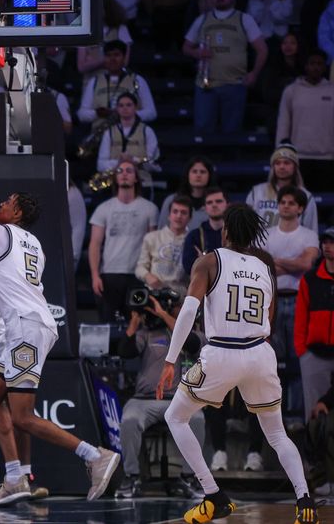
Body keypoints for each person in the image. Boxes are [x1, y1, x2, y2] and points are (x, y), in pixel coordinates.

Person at [0, 193, 120, 506]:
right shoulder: (34, 245)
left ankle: (95, 455)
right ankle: (14, 478)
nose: (0, 205)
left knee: (22, 416)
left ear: (18, 211)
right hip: (26, 328)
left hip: (26, 328)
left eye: (7, 202)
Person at [157, 204, 319, 524]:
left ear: (225, 231)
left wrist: (170, 359)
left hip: (222, 352)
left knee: (175, 417)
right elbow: (266, 312)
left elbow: (189, 312)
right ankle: (305, 500)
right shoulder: (265, 264)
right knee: (277, 434)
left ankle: (213, 495)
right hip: (260, 352)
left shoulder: (209, 260)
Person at [115, 296, 205, 499]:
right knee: (129, 420)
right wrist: (134, 323)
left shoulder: (198, 335)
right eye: (173, 307)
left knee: (197, 419)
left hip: (180, 400)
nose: (174, 309)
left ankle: (189, 476)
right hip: (144, 400)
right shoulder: (148, 334)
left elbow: (190, 343)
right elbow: (125, 352)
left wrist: (163, 315)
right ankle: (131, 475)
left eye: (177, 307)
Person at [261, 186, 319, 425]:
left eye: (291, 203)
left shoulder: (308, 235)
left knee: (297, 359)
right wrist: (290, 264)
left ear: (300, 208)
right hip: (271, 299)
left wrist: (277, 263)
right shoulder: (268, 233)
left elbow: (307, 264)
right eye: (282, 202)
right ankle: (273, 414)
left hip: (298, 301)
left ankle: (295, 416)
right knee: (273, 359)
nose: (285, 205)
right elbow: (262, 265)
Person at [183, 0, 268, 133]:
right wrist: (196, 52)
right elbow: (186, 47)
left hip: (235, 84)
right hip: (206, 85)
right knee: (203, 131)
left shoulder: (244, 19)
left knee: (232, 133)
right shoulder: (202, 19)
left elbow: (262, 50)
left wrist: (254, 73)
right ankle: (205, 156)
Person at [88, 160, 159, 321]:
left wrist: (150, 275)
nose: (125, 173)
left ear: (136, 178)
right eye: (120, 170)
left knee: (136, 325)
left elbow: (153, 246)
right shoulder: (103, 208)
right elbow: (95, 244)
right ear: (115, 177)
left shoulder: (150, 209)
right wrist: (94, 276)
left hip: (138, 275)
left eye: (129, 170)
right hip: (110, 274)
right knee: (108, 323)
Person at [275, 50, 334, 189]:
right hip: (298, 157)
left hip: (328, 157)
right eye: (312, 63)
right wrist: (281, 152)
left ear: (325, 67)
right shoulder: (292, 90)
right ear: (306, 66)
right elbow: (284, 121)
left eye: (319, 64)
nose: (316, 67)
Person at [295, 227, 334, 424]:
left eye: (332, 242)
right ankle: (312, 455)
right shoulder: (310, 279)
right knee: (314, 414)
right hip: (314, 355)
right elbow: (301, 317)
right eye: (325, 241)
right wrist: (302, 352)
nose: (328, 246)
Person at [78, 40, 157, 129]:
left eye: (116, 55)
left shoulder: (137, 80)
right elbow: (82, 114)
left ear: (124, 58)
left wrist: (127, 114)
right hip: (101, 136)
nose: (112, 59)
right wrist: (97, 113)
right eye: (108, 55)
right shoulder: (94, 82)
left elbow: (151, 112)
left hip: (131, 136)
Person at [246, 144, 318, 231]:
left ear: (295, 167)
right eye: (277, 163)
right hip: (261, 244)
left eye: (287, 163)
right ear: (273, 167)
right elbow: (246, 226)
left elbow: (311, 231)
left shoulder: (306, 196)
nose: (282, 167)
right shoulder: (256, 192)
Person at [135, 195, 192, 296]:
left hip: (181, 296)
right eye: (175, 211)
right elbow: (140, 267)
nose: (179, 216)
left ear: (190, 218)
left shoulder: (193, 240)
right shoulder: (152, 237)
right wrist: (148, 276)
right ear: (169, 215)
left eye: (183, 213)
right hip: (154, 293)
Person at [96, 92, 160, 172]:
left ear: (135, 108)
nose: (125, 108)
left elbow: (153, 164)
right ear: (117, 109)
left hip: (142, 179)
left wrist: (132, 160)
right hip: (116, 178)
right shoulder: (109, 133)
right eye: (121, 105)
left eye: (129, 105)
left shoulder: (147, 131)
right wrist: (120, 162)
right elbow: (100, 165)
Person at [158, 156, 217, 231]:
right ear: (188, 175)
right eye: (194, 171)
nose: (198, 175)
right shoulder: (172, 200)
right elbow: (162, 232)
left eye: (202, 172)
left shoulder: (216, 202)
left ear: (209, 176)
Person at [181, 188, 228, 276]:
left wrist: (204, 262)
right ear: (205, 208)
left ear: (227, 205)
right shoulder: (194, 236)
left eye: (218, 201)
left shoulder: (236, 234)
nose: (214, 205)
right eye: (209, 202)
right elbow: (188, 268)